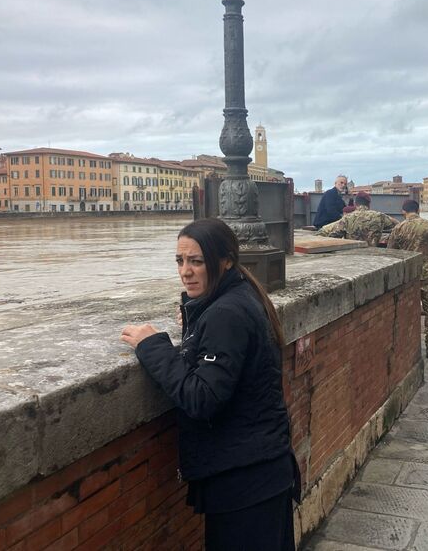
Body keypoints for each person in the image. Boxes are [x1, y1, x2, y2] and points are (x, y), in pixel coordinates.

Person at [120, 218, 299, 550]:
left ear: (225, 261)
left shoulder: (226, 314)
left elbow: (202, 397)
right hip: (259, 472)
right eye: (180, 261)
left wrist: (152, 346)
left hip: (245, 480)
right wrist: (195, 319)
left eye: (196, 261)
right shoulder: (239, 297)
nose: (185, 271)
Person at [387, 199, 428, 359]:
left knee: (406, 313)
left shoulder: (398, 228)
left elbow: (390, 252)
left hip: (408, 278)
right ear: (418, 209)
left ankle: (407, 350)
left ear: (403, 212)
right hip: (426, 275)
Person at [317, 192, 397, 246]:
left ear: (355, 204)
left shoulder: (347, 218)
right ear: (369, 204)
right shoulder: (380, 216)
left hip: (353, 256)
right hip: (372, 255)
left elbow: (323, 231)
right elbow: (397, 225)